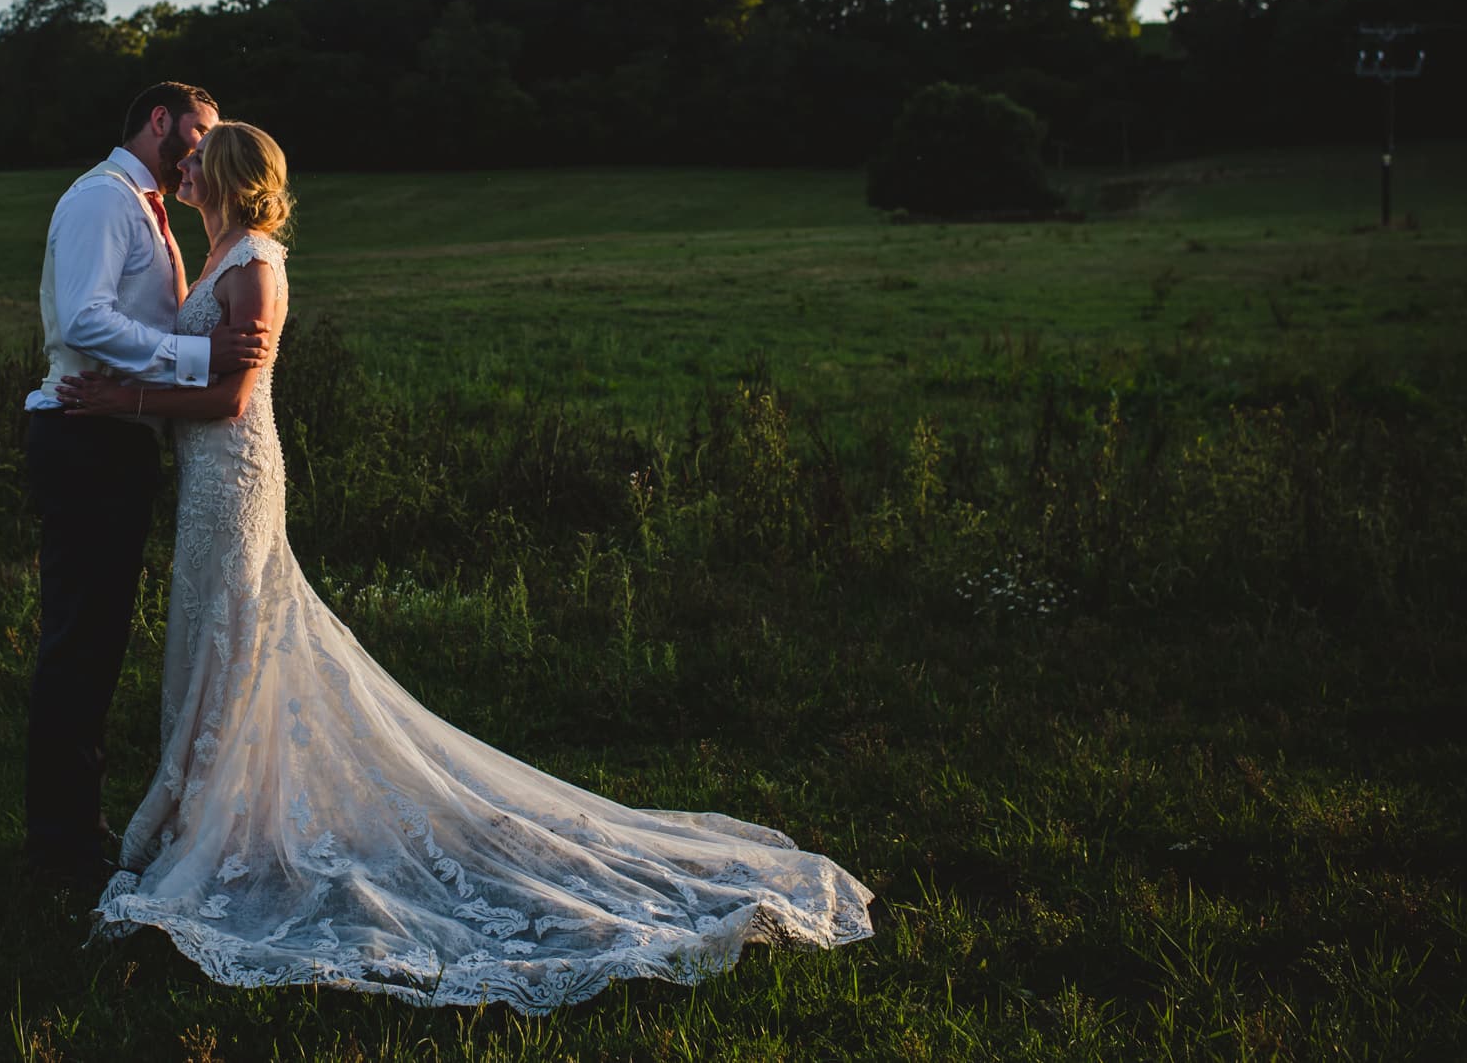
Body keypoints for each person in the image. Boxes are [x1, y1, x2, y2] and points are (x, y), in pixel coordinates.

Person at [56, 124, 874, 1013]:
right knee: (217, 630)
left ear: (224, 177)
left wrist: (122, 398)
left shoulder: (255, 259)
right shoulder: (212, 249)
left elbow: (232, 394)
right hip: (204, 480)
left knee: (241, 629)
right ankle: (214, 810)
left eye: (198, 157)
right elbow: (199, 358)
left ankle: (220, 823)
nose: (185, 163)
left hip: (238, 472)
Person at [21, 83, 274, 898]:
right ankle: (63, 849)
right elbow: (86, 319)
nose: (199, 153)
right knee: (79, 646)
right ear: (159, 120)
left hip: (120, 440)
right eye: (195, 133)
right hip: (87, 435)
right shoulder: (104, 199)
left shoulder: (153, 211)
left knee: (95, 645)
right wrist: (199, 361)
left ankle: (79, 832)